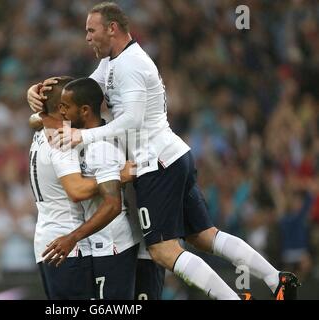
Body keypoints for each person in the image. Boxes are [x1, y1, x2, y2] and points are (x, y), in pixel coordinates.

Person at [29, 2, 300, 300]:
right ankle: (278, 279)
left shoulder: (132, 64)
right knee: (204, 236)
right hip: (173, 155)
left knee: (162, 250)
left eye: (91, 30)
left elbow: (131, 119)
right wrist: (35, 98)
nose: (87, 37)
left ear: (112, 28)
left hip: (155, 163)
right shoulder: (111, 63)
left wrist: (84, 137)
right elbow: (77, 98)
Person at [43, 78, 141, 299]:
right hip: (101, 244)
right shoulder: (89, 136)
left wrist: (73, 237)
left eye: (66, 106)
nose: (62, 112)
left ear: (85, 110)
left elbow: (112, 206)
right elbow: (42, 120)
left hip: (112, 245)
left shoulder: (101, 148)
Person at [29, 76, 95, 300]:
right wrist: (116, 177)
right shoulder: (60, 141)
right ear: (62, 107)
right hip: (66, 245)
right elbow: (77, 191)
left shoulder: (41, 132)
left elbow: (36, 118)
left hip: (46, 241)